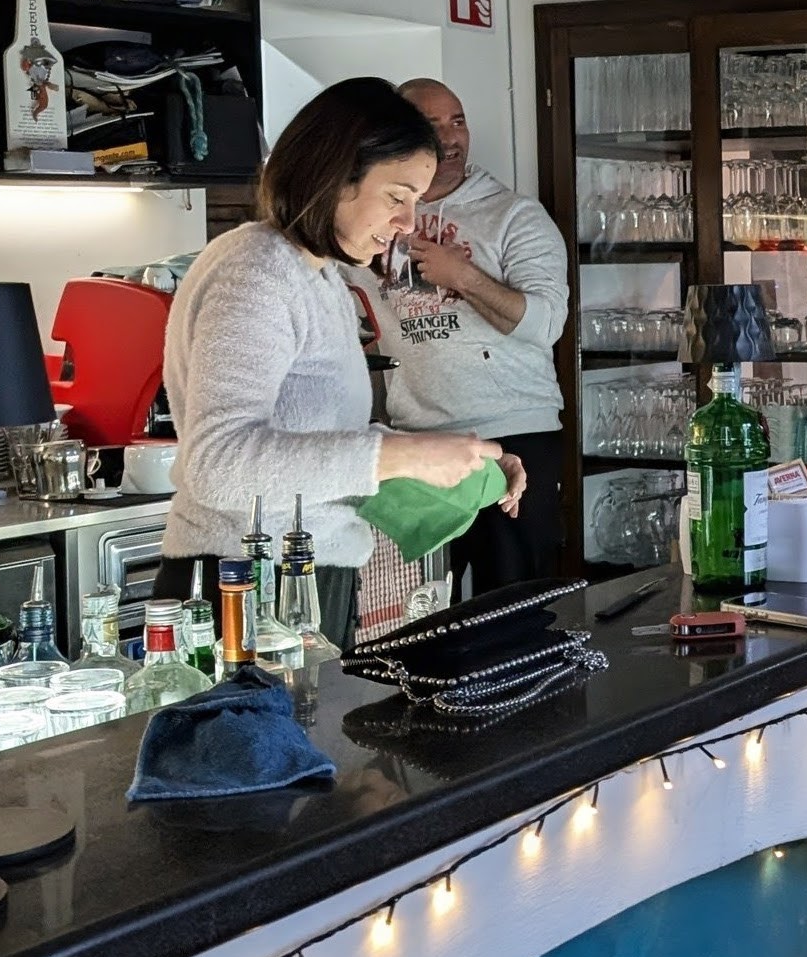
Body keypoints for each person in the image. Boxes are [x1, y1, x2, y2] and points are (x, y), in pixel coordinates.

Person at [160, 78, 527, 649]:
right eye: (397, 196)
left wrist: (471, 467)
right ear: (336, 176)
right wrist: (400, 452)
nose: (408, 223)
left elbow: (324, 443)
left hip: (297, 577)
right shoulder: (255, 273)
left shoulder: (320, 274)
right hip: (240, 583)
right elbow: (217, 462)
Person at [362, 78, 570, 595]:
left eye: (458, 121)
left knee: (518, 609)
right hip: (416, 441)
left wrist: (464, 278)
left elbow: (547, 326)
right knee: (424, 605)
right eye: (432, 126)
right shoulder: (372, 221)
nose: (450, 138)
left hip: (516, 432)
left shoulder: (514, 216)